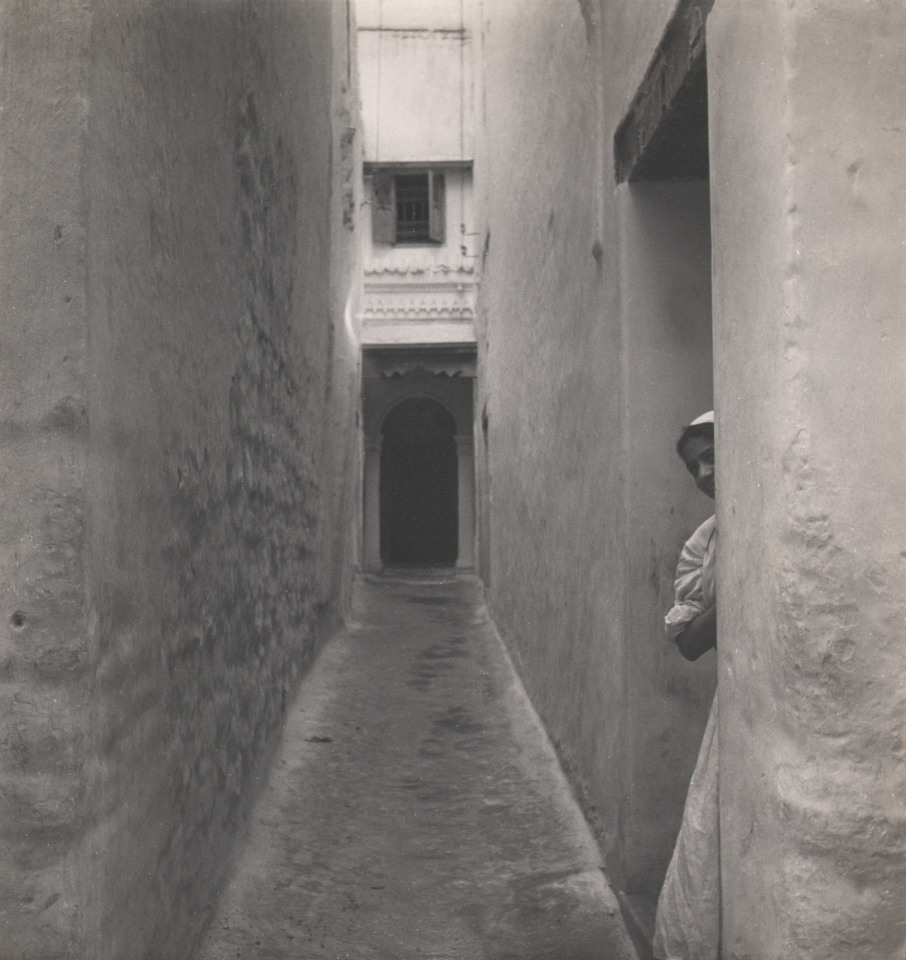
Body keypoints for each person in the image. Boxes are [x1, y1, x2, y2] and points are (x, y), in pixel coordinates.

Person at [653, 410, 720, 960]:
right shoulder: (706, 542)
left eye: (711, 455)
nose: (703, 473)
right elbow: (691, 641)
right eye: (693, 465)